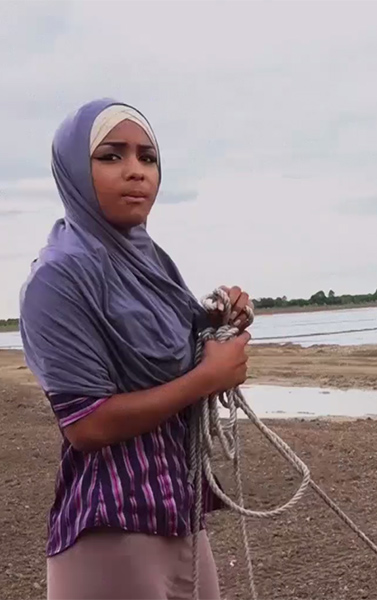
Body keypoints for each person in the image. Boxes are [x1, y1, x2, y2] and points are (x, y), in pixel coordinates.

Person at [19, 98, 255, 599]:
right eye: (111, 156)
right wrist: (208, 377)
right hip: (111, 530)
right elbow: (87, 425)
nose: (136, 172)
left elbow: (176, 356)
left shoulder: (154, 266)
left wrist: (216, 324)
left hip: (180, 516)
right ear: (74, 172)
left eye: (147, 158)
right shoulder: (59, 277)